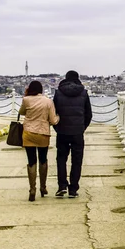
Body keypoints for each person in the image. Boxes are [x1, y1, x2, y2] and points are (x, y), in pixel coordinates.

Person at [53, 70, 92, 198]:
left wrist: (57, 128)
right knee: (77, 160)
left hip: (62, 131)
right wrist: (82, 127)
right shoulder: (83, 93)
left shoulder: (58, 93)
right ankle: (73, 189)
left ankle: (62, 186)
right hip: (77, 132)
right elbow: (89, 114)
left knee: (61, 159)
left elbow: (53, 113)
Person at [19, 80, 59, 202]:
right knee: (43, 159)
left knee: (31, 161)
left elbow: (21, 112)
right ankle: (43, 187)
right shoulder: (48, 101)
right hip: (43, 133)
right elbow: (53, 120)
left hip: (28, 133)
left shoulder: (26, 100)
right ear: (41, 89)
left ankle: (32, 189)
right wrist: (58, 117)